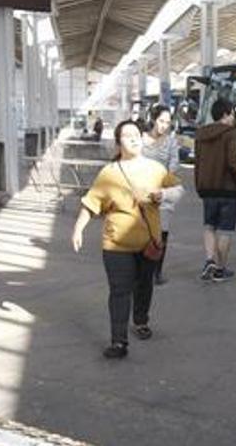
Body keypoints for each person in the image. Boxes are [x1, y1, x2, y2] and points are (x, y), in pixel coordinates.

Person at [72, 120, 181, 359]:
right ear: (118, 143)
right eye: (127, 136)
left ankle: (140, 319)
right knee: (120, 290)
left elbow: (178, 190)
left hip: (148, 242)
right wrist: (78, 228)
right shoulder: (109, 173)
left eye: (136, 135)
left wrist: (162, 194)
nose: (133, 139)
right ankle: (118, 341)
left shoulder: (156, 168)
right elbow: (92, 202)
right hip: (116, 244)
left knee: (144, 285)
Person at [194, 98, 236, 282]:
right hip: (227, 189)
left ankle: (209, 260)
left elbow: (198, 162)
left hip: (207, 188)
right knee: (225, 230)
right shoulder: (231, 133)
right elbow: (234, 163)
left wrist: (199, 185)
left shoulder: (201, 134)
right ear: (225, 114)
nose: (234, 117)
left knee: (209, 226)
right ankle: (220, 269)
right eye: (232, 113)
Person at [142, 105, 184, 285]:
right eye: (161, 121)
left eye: (167, 122)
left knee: (162, 233)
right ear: (153, 119)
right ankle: (143, 269)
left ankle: (157, 271)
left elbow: (174, 165)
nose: (164, 125)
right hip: (142, 193)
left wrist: (163, 178)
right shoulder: (141, 140)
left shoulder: (171, 142)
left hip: (163, 193)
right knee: (143, 232)